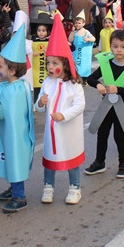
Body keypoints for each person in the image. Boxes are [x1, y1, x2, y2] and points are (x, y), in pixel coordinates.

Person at [35, 15, 85, 205]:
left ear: (64, 64)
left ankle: (75, 187)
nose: (50, 67)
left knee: (71, 157)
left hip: (68, 128)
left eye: (54, 63)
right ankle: (48, 185)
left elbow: (80, 106)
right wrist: (40, 103)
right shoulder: (47, 82)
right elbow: (39, 106)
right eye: (48, 63)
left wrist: (64, 115)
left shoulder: (74, 85)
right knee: (50, 157)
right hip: (51, 131)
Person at [0, 24, 36, 213]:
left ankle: (19, 196)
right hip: (15, 133)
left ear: (12, 70)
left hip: (13, 135)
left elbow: (1, 112)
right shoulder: (21, 85)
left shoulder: (11, 90)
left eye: (0, 66)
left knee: (14, 160)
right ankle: (13, 188)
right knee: (11, 160)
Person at [84, 29, 124, 178]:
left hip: (122, 108)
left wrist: (118, 89)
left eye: (122, 46)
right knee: (102, 134)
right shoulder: (107, 65)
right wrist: (98, 86)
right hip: (106, 108)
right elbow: (90, 78)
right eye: (115, 46)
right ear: (110, 47)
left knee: (119, 136)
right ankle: (99, 162)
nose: (119, 50)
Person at [68, 10, 95, 81]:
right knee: (76, 65)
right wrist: (72, 32)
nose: (77, 24)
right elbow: (70, 40)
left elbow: (93, 38)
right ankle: (76, 77)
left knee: (83, 66)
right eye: (76, 23)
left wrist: (88, 39)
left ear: (83, 24)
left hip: (83, 54)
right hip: (76, 53)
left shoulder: (86, 32)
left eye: (79, 23)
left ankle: (85, 79)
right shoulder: (74, 32)